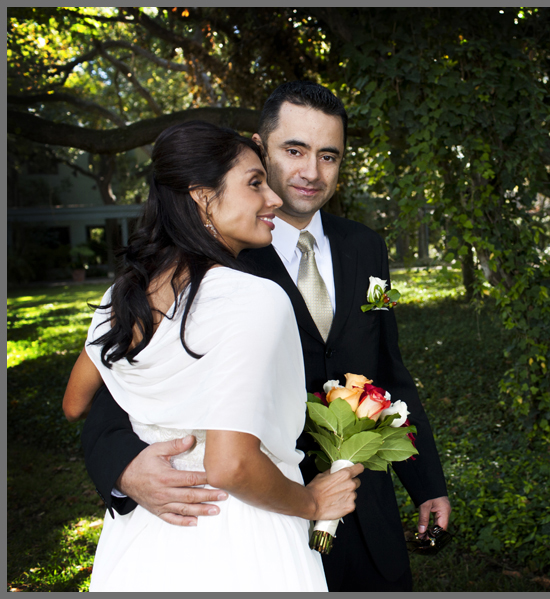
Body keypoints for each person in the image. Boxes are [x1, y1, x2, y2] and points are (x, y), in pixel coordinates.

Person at [81, 81, 451, 592]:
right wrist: (122, 468)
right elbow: (116, 385)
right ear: (261, 147)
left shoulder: (367, 249)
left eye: (329, 156)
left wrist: (427, 482)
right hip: (259, 513)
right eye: (294, 150)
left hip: (364, 507)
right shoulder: (214, 257)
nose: (311, 172)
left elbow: (389, 369)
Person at [64, 120, 363, 592]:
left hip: (145, 536)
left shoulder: (125, 293)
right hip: (240, 533)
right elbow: (230, 465)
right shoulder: (252, 297)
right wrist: (310, 503)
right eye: (254, 183)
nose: (274, 199)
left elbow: (74, 403)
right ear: (202, 197)